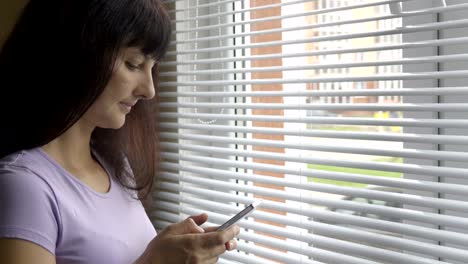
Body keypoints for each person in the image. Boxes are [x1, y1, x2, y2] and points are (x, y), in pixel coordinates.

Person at [0, 0, 240, 263]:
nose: (149, 90)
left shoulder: (116, 167)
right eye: (134, 64)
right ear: (74, 54)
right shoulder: (24, 186)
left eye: (152, 67)